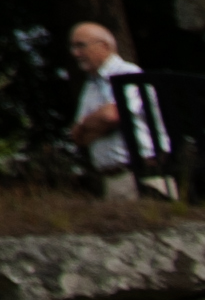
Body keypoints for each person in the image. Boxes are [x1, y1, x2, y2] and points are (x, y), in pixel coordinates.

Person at [67, 21, 162, 197]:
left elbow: (111, 116)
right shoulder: (90, 85)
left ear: (103, 46)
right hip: (112, 179)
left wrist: (89, 126)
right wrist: (95, 124)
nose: (75, 53)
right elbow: (76, 136)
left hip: (141, 175)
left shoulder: (128, 73)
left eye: (81, 46)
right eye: (73, 47)